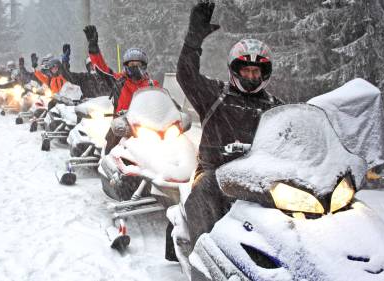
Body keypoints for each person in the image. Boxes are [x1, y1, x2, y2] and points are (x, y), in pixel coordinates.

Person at [175, 0, 284, 256]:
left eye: (256, 71)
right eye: (245, 70)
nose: (250, 76)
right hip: (216, 172)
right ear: (235, 70)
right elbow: (186, 75)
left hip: (259, 177)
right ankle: (203, 256)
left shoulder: (276, 107)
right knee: (206, 191)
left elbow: (294, 137)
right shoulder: (216, 94)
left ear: (264, 73)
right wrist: (193, 42)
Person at [83, 25, 160, 153]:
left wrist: (174, 108)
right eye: (131, 64)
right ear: (126, 66)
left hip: (148, 126)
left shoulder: (152, 84)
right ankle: (106, 159)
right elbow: (103, 70)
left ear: (144, 66)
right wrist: (94, 50)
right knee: (110, 149)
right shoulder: (118, 80)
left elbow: (163, 100)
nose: (135, 67)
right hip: (122, 125)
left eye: (138, 64)